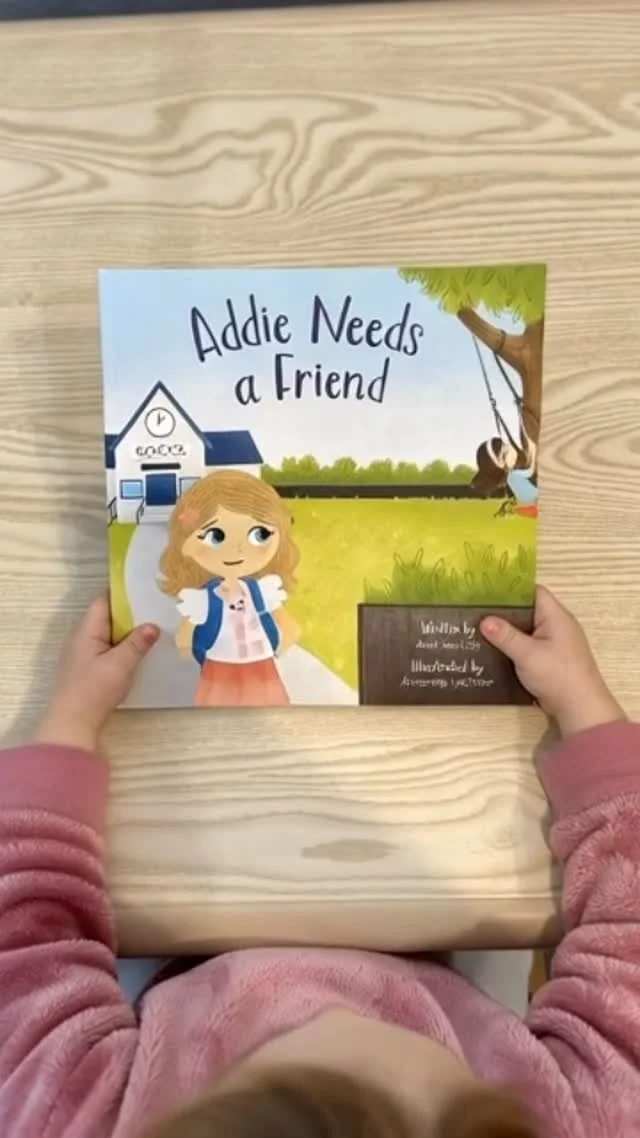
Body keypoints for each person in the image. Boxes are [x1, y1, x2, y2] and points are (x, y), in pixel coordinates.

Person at [0, 589, 638, 1138]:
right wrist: (586, 706)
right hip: (445, 957)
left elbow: (23, 944)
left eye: (286, 1045)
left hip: (184, 966)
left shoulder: (66, 1119)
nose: (335, 1008)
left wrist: (68, 719)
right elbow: (627, 951)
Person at [159, 470, 300, 707]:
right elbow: (188, 631)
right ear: (186, 543)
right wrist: (186, 642)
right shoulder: (204, 599)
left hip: (260, 660)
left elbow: (282, 618)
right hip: (221, 662)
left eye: (260, 534)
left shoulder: (262, 591)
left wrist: (287, 631)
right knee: (219, 709)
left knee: (268, 706)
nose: (237, 550)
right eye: (216, 536)